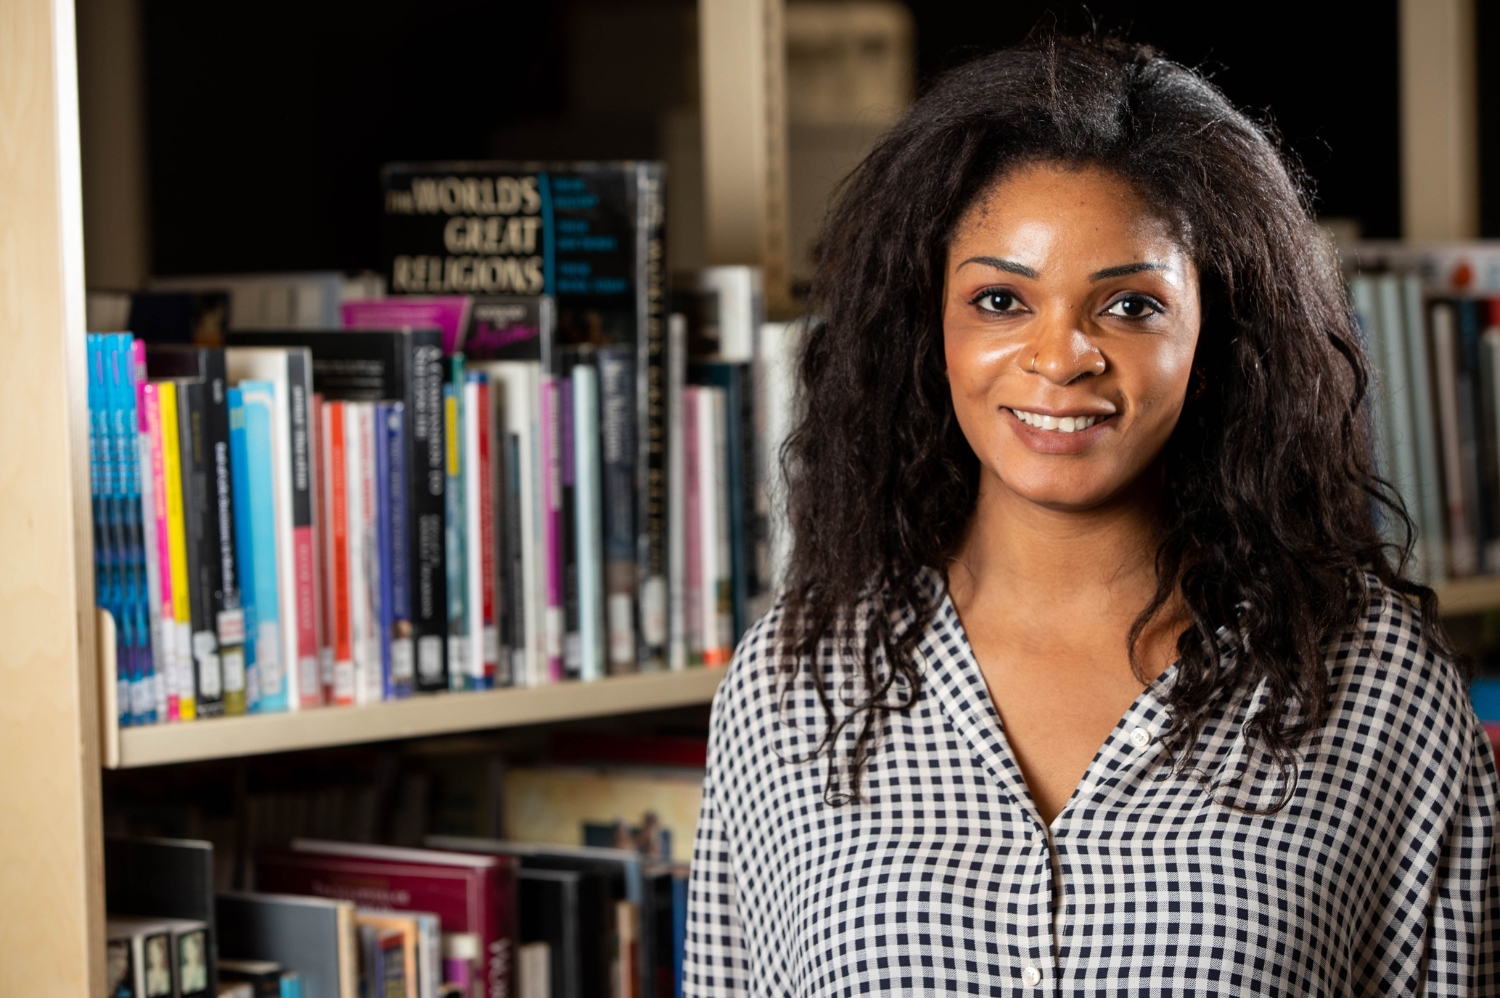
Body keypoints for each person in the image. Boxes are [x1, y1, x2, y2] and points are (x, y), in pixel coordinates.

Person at [685, 33, 1499, 995]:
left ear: (1219, 333)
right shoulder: (796, 682)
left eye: (1130, 307)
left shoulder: (1373, 684)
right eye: (999, 299)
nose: (1062, 355)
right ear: (926, 325)